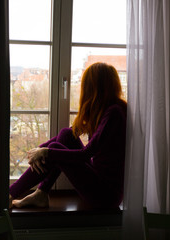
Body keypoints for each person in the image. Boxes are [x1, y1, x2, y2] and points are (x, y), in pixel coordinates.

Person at [9, 62, 127, 209]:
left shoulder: (114, 113)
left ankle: (11, 194)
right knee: (66, 134)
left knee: (54, 148)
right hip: (99, 182)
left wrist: (46, 152)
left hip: (106, 196)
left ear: (92, 87)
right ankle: (39, 193)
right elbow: (68, 137)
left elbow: (86, 154)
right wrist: (39, 151)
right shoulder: (104, 109)